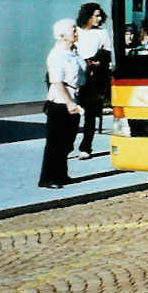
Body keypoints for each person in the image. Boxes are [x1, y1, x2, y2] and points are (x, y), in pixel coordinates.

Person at [39, 18, 86, 189]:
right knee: (55, 141)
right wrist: (69, 103)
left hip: (74, 98)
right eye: (72, 29)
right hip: (60, 103)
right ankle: (48, 178)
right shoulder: (56, 55)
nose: (76, 32)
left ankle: (61, 174)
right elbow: (57, 82)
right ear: (61, 35)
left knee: (67, 141)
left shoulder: (74, 52)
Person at [75, 2, 113, 159]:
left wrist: (98, 62)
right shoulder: (76, 31)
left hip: (93, 76)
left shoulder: (102, 33)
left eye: (99, 15)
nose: (99, 19)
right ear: (87, 16)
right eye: (95, 16)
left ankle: (86, 147)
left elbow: (107, 52)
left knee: (90, 115)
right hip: (76, 74)